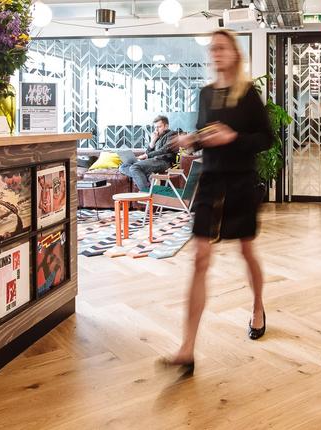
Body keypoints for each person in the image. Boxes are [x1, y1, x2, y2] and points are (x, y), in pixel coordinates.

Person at [160, 29, 272, 376]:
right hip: (210, 182)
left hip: (240, 181)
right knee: (200, 259)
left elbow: (267, 138)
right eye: (212, 48)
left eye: (222, 47)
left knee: (246, 251)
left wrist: (233, 137)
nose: (216, 53)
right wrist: (191, 140)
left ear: (235, 54)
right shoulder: (206, 94)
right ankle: (187, 348)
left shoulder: (249, 94)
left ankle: (257, 306)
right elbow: (204, 135)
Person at [119, 116, 178, 191]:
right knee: (123, 166)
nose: (156, 130)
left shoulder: (171, 134)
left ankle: (146, 194)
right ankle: (149, 176)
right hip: (153, 161)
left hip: (164, 161)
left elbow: (165, 150)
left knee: (134, 167)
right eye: (155, 127)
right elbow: (148, 152)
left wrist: (147, 155)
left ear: (166, 126)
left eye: (159, 127)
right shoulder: (157, 137)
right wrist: (152, 141)